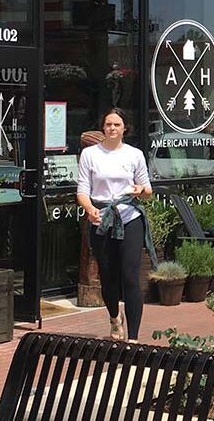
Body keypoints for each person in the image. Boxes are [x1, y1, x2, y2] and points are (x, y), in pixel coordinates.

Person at [75, 108, 153, 341]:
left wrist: (141, 191)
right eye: (108, 124)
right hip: (101, 219)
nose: (111, 128)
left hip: (129, 218)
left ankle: (134, 338)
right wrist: (89, 210)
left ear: (124, 128)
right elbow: (82, 190)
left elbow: (147, 190)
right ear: (103, 127)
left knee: (130, 276)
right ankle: (114, 318)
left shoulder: (134, 154)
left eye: (116, 125)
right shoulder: (90, 154)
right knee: (108, 277)